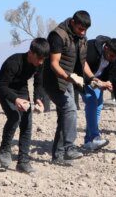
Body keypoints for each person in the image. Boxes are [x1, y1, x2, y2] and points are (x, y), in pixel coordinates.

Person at [43, 10, 99, 165]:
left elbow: (83, 62)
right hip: (54, 80)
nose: (83, 32)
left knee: (65, 116)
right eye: (80, 29)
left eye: (85, 30)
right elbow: (54, 63)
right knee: (70, 109)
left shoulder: (81, 37)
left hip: (68, 80)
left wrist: (92, 77)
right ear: (73, 23)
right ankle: (69, 147)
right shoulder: (58, 35)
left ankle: (58, 156)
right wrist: (69, 77)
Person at [0, 38, 49, 173]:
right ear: (30, 52)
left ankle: (23, 161)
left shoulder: (40, 63)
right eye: (39, 58)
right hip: (5, 88)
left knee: (27, 123)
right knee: (14, 117)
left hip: (21, 88)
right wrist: (15, 100)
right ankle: (5, 149)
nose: (41, 62)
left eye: (43, 59)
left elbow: (38, 83)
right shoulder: (13, 62)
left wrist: (38, 99)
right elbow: (1, 85)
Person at [82, 35, 116, 151]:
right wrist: (96, 81)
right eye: (111, 56)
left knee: (98, 105)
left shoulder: (114, 57)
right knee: (91, 102)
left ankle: (89, 141)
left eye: (115, 57)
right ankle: (95, 136)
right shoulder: (91, 48)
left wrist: (108, 83)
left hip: (98, 81)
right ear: (106, 48)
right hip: (84, 79)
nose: (112, 59)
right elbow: (82, 65)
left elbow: (111, 71)